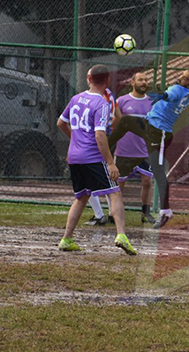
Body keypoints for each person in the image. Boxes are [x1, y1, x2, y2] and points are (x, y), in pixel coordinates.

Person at [108, 68, 189, 229]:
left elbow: (172, 95)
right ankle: (102, 148)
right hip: (149, 125)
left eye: (185, 78)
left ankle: (165, 211)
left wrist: (164, 95)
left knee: (158, 171)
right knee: (126, 121)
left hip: (159, 133)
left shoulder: (178, 89)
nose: (181, 78)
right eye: (182, 75)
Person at [56, 64, 136, 256]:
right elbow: (100, 135)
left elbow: (61, 123)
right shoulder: (102, 103)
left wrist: (75, 141)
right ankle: (121, 235)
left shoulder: (76, 99)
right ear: (107, 81)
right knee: (115, 192)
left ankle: (66, 239)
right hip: (92, 156)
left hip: (75, 157)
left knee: (82, 197)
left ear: (89, 78)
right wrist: (110, 162)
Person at [113, 70, 155, 224]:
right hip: (124, 150)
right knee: (119, 184)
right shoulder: (122, 101)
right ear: (132, 82)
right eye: (140, 80)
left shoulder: (152, 102)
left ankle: (146, 213)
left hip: (144, 151)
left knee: (147, 182)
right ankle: (114, 214)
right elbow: (115, 123)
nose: (144, 83)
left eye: (146, 80)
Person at [84, 85, 122, 226]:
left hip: (95, 140)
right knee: (106, 176)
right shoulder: (110, 95)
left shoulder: (95, 97)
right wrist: (110, 128)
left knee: (87, 178)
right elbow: (119, 117)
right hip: (106, 138)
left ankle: (99, 215)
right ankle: (111, 213)